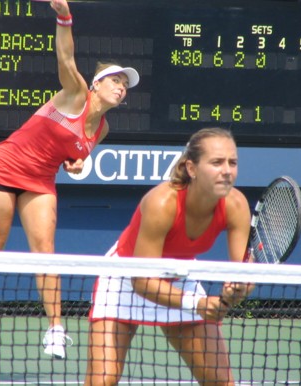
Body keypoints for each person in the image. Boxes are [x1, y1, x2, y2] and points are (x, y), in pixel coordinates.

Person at [0, 0, 140, 363]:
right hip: (2, 169)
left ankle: (56, 331)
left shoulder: (103, 128)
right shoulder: (76, 93)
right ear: (96, 84)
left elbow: (75, 158)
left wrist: (76, 166)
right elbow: (65, 58)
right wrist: (64, 16)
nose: (121, 87)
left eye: (125, 85)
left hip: (40, 181)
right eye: (115, 80)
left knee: (45, 251)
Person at [85, 128, 254, 386]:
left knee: (221, 381)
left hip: (180, 275)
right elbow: (141, 282)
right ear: (192, 168)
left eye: (233, 162)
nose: (227, 170)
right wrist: (197, 304)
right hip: (125, 280)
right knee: (103, 380)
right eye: (216, 162)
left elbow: (241, 273)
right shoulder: (162, 203)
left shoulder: (237, 206)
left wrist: (237, 288)